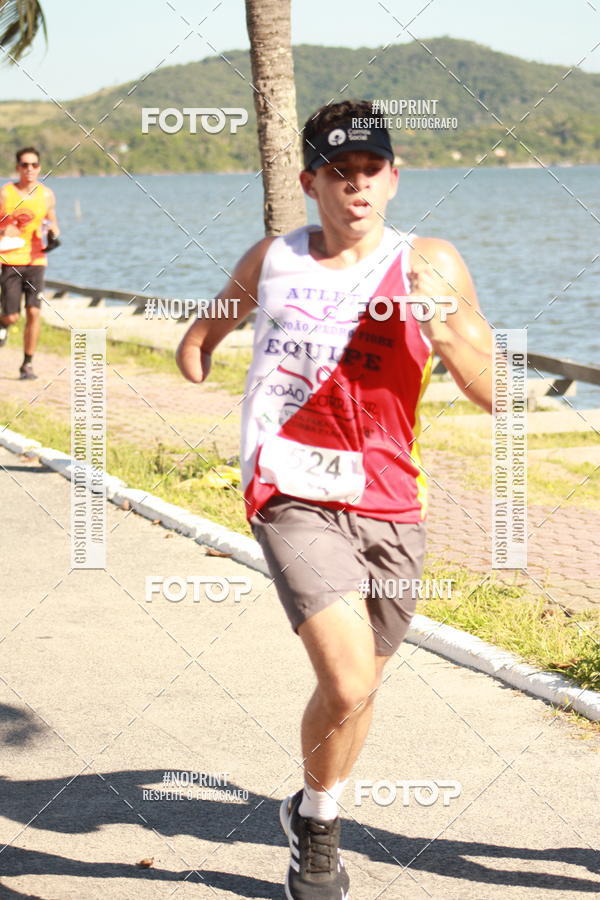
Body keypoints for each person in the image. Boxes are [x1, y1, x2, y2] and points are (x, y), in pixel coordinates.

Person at [177, 99, 493, 899]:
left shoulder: (433, 264)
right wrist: (198, 364)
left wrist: (447, 325)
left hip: (392, 501)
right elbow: (202, 335)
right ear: (309, 179)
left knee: (358, 690)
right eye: (339, 173)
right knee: (350, 680)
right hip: (288, 492)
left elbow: (496, 391)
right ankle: (321, 833)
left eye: (371, 172)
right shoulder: (272, 258)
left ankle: (310, 810)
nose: (357, 188)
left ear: (394, 177)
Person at [0, 146, 60, 379]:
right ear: (17, 168)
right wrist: (6, 229)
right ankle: (3, 324)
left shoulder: (46, 195)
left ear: (39, 168)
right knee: (13, 316)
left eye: (34, 165)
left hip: (36, 260)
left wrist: (54, 235)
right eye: (25, 165)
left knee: (34, 312)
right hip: (10, 259)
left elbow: (52, 222)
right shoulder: (6, 194)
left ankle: (27, 364)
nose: (30, 169)